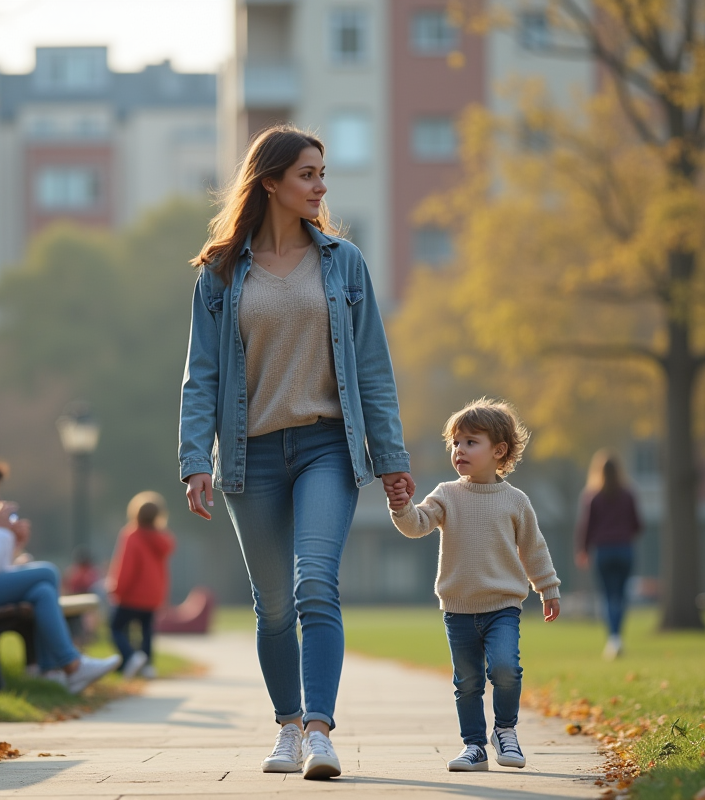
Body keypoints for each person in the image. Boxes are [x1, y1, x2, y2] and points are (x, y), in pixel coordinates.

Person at [179, 124, 412, 780]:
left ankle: (319, 731)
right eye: (308, 174)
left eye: (323, 172)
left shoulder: (344, 263)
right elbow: (202, 373)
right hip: (251, 455)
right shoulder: (221, 273)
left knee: (316, 583)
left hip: (326, 447)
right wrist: (195, 457)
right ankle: (285, 725)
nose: (321, 185)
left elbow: (373, 369)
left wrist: (390, 458)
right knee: (274, 601)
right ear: (272, 182)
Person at [386, 398, 562, 773]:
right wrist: (402, 507)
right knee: (467, 683)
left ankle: (506, 730)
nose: (459, 450)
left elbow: (534, 549)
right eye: (455, 443)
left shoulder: (516, 501)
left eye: (470, 442)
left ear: (498, 451)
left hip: (503, 606)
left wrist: (549, 589)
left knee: (505, 669)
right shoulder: (447, 494)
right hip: (458, 609)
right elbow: (418, 524)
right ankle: (474, 746)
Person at [0, 456, 120, 694]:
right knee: (48, 572)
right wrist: (1, 531)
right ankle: (71, 665)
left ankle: (51, 673)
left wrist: (13, 541)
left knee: (41, 592)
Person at [574, 449, 642, 660]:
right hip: (624, 549)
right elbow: (638, 524)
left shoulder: (592, 496)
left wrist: (582, 550)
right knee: (621, 596)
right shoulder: (628, 494)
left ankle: (613, 638)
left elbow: (586, 526)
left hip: (603, 551)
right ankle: (617, 636)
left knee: (607, 596)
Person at [107, 491, 175, 680]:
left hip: (132, 594)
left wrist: (117, 589)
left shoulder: (131, 535)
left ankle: (130, 657)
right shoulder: (161, 539)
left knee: (116, 627)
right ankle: (147, 666)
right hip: (152, 595)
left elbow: (126, 566)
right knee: (147, 630)